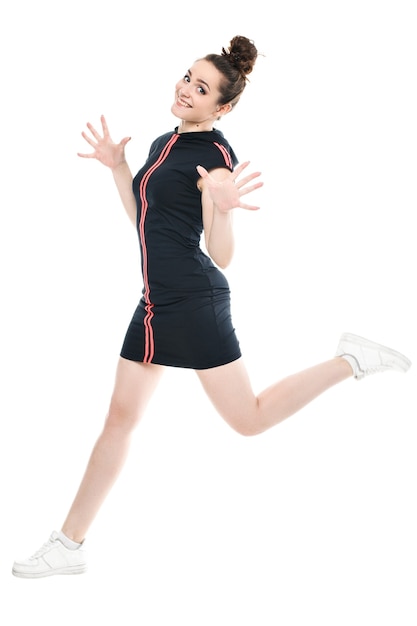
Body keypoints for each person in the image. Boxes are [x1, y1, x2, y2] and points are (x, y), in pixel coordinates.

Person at [12, 35, 411, 579]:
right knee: (120, 419)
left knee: (247, 419)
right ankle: (68, 544)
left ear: (222, 107)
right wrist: (118, 167)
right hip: (154, 301)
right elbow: (144, 222)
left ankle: (350, 361)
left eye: (201, 89)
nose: (185, 90)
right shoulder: (163, 142)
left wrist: (222, 211)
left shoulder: (215, 159)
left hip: (193, 300)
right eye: (186, 77)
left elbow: (221, 255)